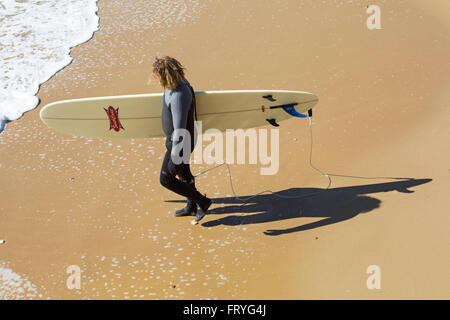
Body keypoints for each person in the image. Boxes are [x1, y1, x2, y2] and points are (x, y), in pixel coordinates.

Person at [151, 56, 212, 223]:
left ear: (166, 76)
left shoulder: (178, 95)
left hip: (181, 143)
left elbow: (179, 129)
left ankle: (202, 201)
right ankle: (191, 207)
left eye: (157, 76)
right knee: (185, 175)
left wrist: (175, 156)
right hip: (178, 141)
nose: (155, 79)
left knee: (166, 179)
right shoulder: (174, 85)